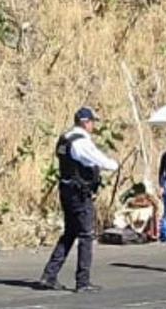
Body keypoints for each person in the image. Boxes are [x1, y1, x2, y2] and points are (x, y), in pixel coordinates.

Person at [37, 107, 118, 293]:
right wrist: (114, 165)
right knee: (86, 235)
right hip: (79, 193)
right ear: (85, 122)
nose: (93, 125)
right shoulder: (81, 142)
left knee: (70, 233)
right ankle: (83, 281)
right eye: (91, 122)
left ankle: (49, 274)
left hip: (66, 189)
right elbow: (99, 160)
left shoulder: (64, 138)